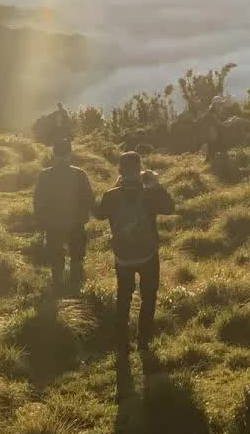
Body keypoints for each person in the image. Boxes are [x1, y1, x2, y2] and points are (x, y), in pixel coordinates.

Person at [94, 150, 174, 355]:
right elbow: (170, 207)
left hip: (123, 257)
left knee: (124, 297)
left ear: (120, 170)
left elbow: (99, 214)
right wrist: (156, 185)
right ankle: (143, 342)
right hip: (148, 254)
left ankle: (122, 343)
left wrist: (115, 185)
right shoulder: (149, 194)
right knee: (148, 297)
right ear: (140, 171)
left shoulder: (111, 195)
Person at [31, 139, 94, 292]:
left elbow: (38, 200)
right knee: (77, 255)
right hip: (76, 222)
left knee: (56, 255)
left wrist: (41, 221)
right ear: (69, 153)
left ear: (53, 153)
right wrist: (86, 214)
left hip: (53, 222)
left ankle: (58, 284)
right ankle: (75, 284)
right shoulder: (79, 174)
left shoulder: (45, 175)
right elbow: (89, 199)